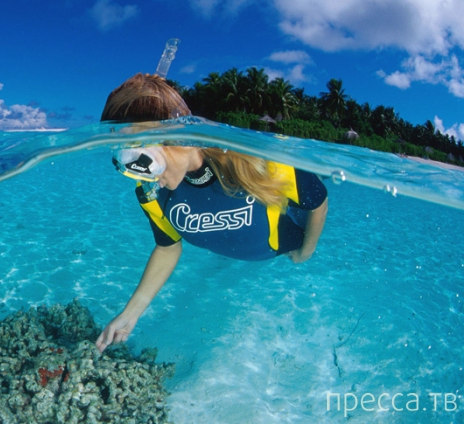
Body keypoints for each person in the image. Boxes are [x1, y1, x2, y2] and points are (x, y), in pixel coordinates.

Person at [96, 73, 328, 352]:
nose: (143, 176)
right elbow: (168, 247)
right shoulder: (151, 192)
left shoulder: (260, 161)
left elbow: (318, 203)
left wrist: (306, 251)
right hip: (238, 253)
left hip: (281, 247)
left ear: (173, 138)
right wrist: (130, 315)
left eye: (141, 161)